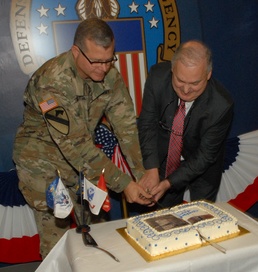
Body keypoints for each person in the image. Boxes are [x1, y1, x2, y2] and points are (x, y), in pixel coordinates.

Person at [13, 18, 152, 258]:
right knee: (57, 240)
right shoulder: (52, 82)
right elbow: (74, 146)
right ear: (76, 52)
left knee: (96, 232)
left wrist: (142, 176)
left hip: (82, 164)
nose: (103, 68)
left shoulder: (109, 75)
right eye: (96, 61)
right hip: (42, 164)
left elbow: (127, 128)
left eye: (109, 59)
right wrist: (123, 184)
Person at [138, 40, 234, 208]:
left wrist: (168, 183)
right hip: (164, 160)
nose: (186, 90)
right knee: (163, 217)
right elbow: (147, 124)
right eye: (180, 81)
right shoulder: (157, 78)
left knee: (199, 217)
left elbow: (204, 156)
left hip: (202, 168)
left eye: (195, 83)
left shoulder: (221, 106)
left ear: (208, 74)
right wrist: (151, 168)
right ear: (172, 69)